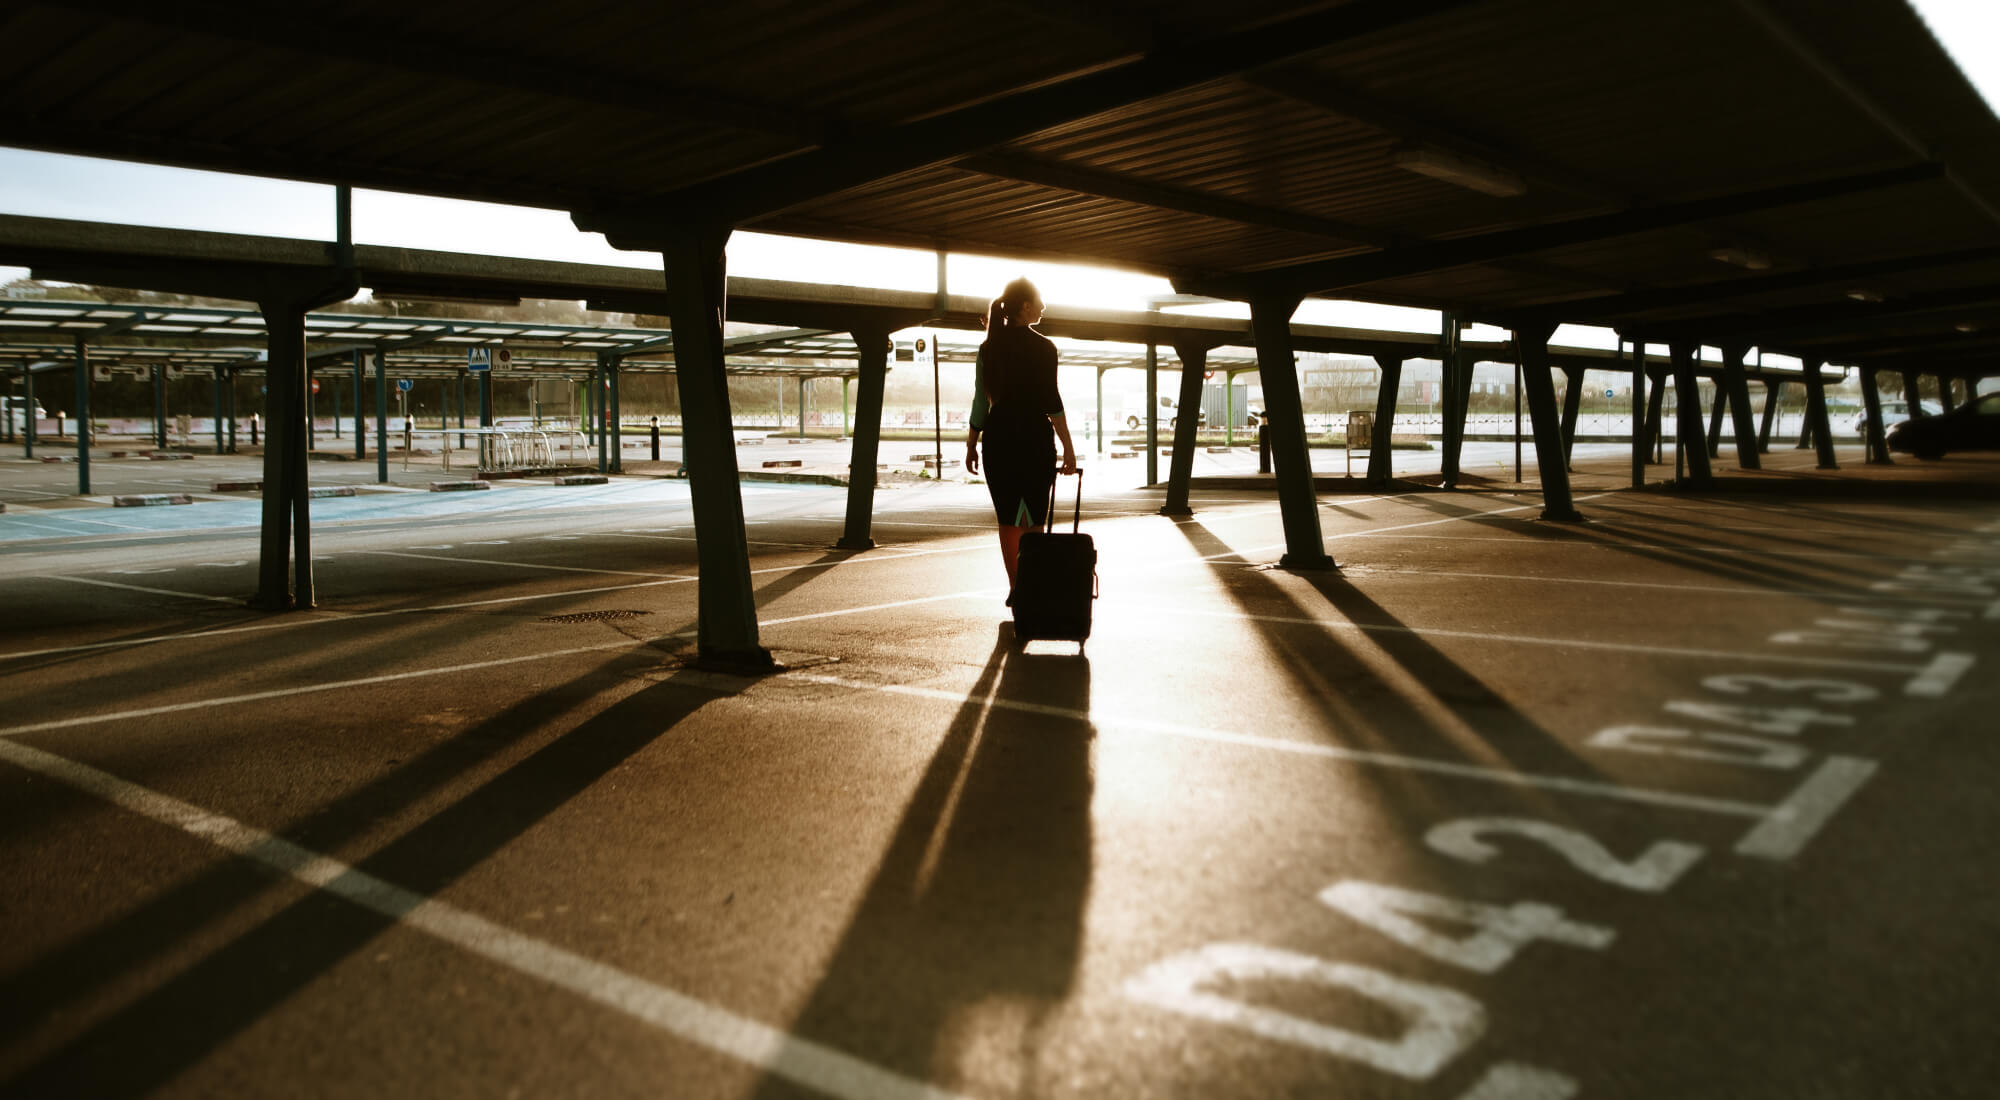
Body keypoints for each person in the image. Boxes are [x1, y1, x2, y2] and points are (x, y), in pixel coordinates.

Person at [964, 277, 1078, 594]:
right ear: (1025, 306)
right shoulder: (1044, 348)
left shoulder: (988, 348)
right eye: (1039, 300)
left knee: (1008, 517)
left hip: (998, 439)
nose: (1043, 306)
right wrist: (1068, 447)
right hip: (1035, 439)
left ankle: (1016, 587)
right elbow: (1052, 404)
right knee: (1034, 517)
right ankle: (1032, 584)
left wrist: (972, 445)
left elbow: (979, 403)